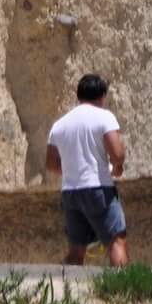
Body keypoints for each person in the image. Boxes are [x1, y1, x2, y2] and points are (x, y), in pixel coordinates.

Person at [46, 73, 128, 266]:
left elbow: (50, 163)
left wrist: (72, 170)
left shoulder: (60, 124)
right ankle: (124, 291)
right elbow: (117, 154)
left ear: (78, 95)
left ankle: (67, 291)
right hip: (98, 189)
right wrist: (117, 168)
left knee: (76, 248)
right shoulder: (104, 117)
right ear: (102, 96)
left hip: (70, 192)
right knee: (116, 242)